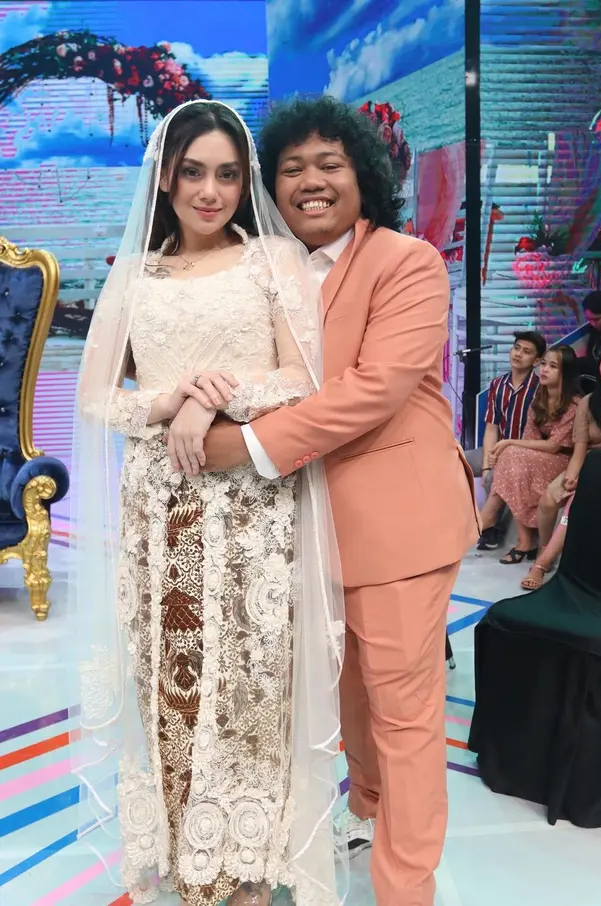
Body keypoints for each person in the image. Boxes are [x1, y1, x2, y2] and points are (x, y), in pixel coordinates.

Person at [194, 96, 479, 906]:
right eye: (291, 169)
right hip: (295, 528)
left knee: (403, 715)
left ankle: (405, 887)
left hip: (396, 525)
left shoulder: (406, 262)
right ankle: (369, 814)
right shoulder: (264, 273)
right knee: (349, 707)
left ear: (364, 175)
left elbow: (374, 389)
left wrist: (244, 445)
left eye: (329, 164)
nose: (310, 181)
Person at [70, 102, 347, 906]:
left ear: (245, 180)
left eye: (227, 174)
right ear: (165, 177)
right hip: (159, 510)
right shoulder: (135, 275)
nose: (209, 191)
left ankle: (247, 862)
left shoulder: (272, 259)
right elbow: (94, 397)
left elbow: (303, 377)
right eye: (192, 172)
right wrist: (169, 401)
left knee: (253, 679)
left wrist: (213, 397)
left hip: (253, 508)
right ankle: (188, 853)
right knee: (173, 677)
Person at [521, 340, 601, 589]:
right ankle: (545, 551)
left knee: (577, 503)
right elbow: (580, 448)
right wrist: (572, 475)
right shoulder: (588, 402)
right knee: (549, 498)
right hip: (587, 461)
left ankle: (543, 565)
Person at [479, 344, 580, 564]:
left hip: (565, 461)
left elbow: (554, 446)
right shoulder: (539, 399)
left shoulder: (574, 404)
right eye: (544, 364)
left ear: (565, 373)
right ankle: (524, 541)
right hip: (540, 458)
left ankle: (489, 516)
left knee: (512, 452)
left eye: (553, 366)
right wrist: (505, 449)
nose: (544, 369)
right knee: (512, 459)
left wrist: (508, 441)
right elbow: (530, 439)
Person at [466, 330, 546, 551]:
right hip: (496, 447)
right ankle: (453, 519)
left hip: (523, 452)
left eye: (526, 351)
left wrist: (493, 467)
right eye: (516, 348)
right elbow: (491, 428)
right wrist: (486, 464)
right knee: (455, 460)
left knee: (497, 474)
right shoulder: (497, 385)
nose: (518, 354)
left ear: (537, 361)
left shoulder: (541, 389)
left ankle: (492, 528)